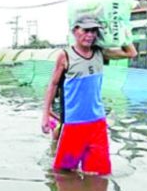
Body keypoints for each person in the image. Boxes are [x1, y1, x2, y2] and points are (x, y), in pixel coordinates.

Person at [41, 14, 137, 176]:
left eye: (93, 31)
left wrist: (124, 35)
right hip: (74, 122)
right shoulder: (65, 56)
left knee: (99, 174)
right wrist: (45, 114)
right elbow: (53, 84)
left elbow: (131, 53)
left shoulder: (101, 53)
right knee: (63, 173)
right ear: (74, 31)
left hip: (97, 122)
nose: (90, 35)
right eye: (86, 30)